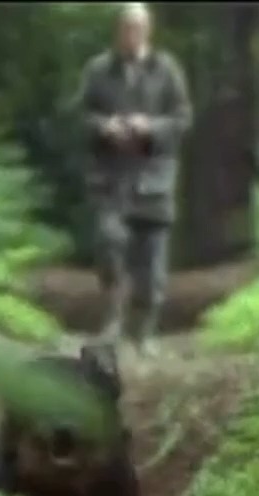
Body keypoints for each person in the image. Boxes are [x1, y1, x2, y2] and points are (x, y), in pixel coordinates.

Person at [75, 2, 192, 358]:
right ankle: (112, 322)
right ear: (118, 31)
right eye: (126, 28)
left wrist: (150, 128)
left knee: (152, 261)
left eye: (137, 28)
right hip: (111, 177)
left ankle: (145, 332)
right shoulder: (98, 70)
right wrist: (104, 127)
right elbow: (80, 116)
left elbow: (183, 118)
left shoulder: (167, 70)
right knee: (109, 244)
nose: (131, 35)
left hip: (155, 177)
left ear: (148, 30)